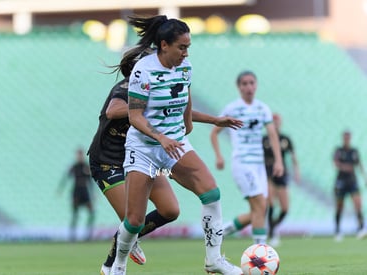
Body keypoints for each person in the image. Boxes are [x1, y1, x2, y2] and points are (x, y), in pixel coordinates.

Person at [88, 47, 243, 275]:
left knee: (170, 210)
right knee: (134, 221)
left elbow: (180, 112)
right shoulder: (126, 88)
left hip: (149, 153)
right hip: (108, 162)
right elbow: (113, 111)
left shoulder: (162, 84)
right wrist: (141, 108)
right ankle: (111, 265)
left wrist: (215, 120)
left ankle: (126, 240)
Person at [210, 70, 284, 245]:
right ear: (239, 87)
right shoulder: (232, 108)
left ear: (256, 85)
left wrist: (279, 161)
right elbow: (214, 133)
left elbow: (273, 135)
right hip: (242, 163)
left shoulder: (262, 108)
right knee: (260, 205)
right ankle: (261, 251)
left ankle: (220, 232)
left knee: (259, 209)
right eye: (245, 83)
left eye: (252, 83)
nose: (249, 87)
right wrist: (219, 156)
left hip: (259, 166)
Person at [262, 113, 300, 246]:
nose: (276, 124)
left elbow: (293, 156)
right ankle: (270, 232)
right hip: (268, 172)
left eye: (278, 122)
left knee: (285, 208)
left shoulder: (285, 139)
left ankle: (274, 227)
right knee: (270, 202)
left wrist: (296, 172)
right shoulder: (265, 139)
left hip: (282, 173)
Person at [333, 130, 367, 241]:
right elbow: (335, 163)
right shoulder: (339, 150)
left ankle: (361, 228)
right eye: (345, 137)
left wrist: (365, 177)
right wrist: (345, 167)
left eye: (348, 137)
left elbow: (359, 164)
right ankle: (337, 230)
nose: (347, 139)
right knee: (339, 206)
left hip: (352, 181)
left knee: (358, 204)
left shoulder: (354, 151)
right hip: (341, 181)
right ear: (343, 138)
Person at [57, 149, 95, 241]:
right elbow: (65, 178)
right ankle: (72, 236)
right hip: (76, 192)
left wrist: (93, 193)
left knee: (91, 212)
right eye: (78, 155)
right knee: (75, 214)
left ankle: (88, 235)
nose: (79, 157)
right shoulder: (74, 167)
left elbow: (90, 181)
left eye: (81, 155)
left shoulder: (86, 166)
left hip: (85, 191)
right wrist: (60, 189)